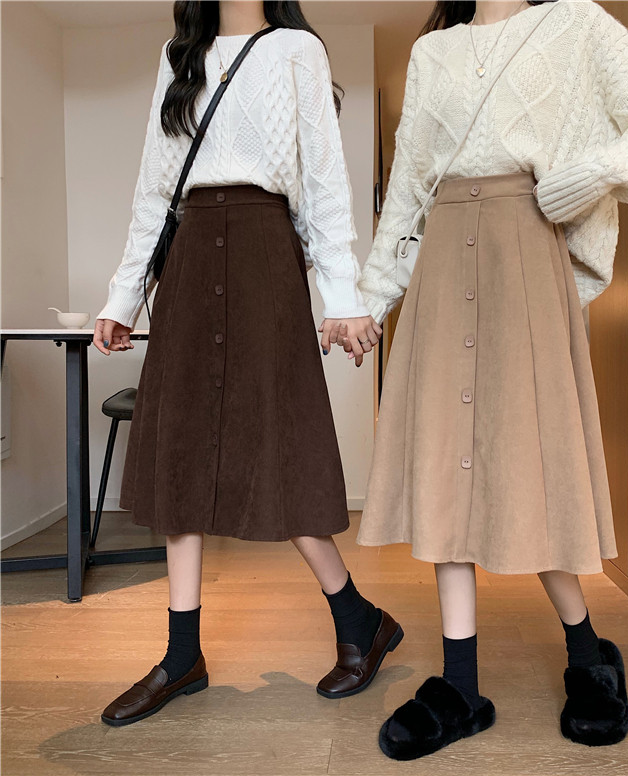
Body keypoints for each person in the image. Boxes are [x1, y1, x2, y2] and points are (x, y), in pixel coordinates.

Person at [339, 0, 628, 759]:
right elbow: (409, 189)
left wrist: (590, 175)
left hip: (525, 255)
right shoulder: (432, 53)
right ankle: (460, 686)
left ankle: (588, 652)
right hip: (442, 261)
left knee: (531, 469)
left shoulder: (577, 25)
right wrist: (371, 299)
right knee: (447, 467)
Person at [94, 0, 399, 728]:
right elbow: (153, 189)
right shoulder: (179, 56)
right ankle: (182, 656)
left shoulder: (296, 50)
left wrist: (343, 296)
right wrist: (124, 294)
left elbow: (324, 181)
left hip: (266, 253)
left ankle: (357, 619)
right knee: (181, 453)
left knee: (279, 444)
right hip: (191, 256)